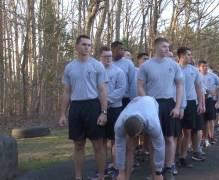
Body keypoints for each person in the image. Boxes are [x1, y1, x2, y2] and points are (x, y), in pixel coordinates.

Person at [59, 35, 108, 180]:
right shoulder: (69, 67)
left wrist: (104, 112)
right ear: (76, 46)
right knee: (78, 144)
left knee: (98, 144)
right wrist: (62, 114)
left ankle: (101, 177)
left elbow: (102, 90)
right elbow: (67, 91)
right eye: (84, 44)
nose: (87, 47)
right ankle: (78, 176)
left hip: (93, 106)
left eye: (89, 45)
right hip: (76, 107)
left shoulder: (97, 65)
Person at [138, 37, 184, 180]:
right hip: (152, 104)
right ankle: (155, 172)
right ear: (156, 47)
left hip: (169, 104)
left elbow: (180, 85)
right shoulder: (146, 66)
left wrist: (177, 106)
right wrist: (147, 102)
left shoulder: (174, 65)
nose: (167, 49)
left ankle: (168, 168)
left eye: (168, 47)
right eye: (164, 47)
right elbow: (140, 86)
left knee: (169, 138)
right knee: (153, 140)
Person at [115, 96, 165, 180]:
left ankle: (155, 176)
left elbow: (160, 147)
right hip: (135, 105)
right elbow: (119, 147)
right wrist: (121, 172)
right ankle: (126, 177)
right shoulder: (119, 125)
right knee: (129, 147)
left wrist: (159, 171)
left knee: (152, 146)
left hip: (151, 103)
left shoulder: (153, 124)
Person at [99, 46, 127, 177]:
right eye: (105, 56)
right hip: (99, 110)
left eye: (110, 56)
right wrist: (102, 103)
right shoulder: (96, 71)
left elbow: (121, 89)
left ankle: (116, 167)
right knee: (101, 140)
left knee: (115, 140)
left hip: (115, 109)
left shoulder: (119, 72)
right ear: (100, 57)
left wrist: (107, 101)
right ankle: (102, 168)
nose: (108, 59)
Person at [177, 47, 204, 168]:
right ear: (181, 56)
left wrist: (201, 103)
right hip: (175, 103)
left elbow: (199, 87)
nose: (190, 57)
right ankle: (171, 159)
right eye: (188, 55)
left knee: (187, 131)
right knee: (174, 133)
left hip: (191, 102)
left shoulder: (194, 70)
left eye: (190, 55)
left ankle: (183, 156)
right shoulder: (174, 68)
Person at [198, 60, 219, 147]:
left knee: (210, 119)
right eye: (203, 66)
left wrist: (216, 92)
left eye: (206, 66)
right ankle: (203, 138)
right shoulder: (197, 75)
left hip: (209, 100)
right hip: (199, 100)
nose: (205, 68)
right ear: (199, 67)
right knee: (202, 120)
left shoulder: (212, 75)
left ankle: (210, 136)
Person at [111, 42, 136, 107]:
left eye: (123, 49)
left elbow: (133, 82)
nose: (122, 51)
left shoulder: (128, 63)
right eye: (120, 49)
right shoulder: (107, 62)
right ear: (113, 50)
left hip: (125, 99)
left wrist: (133, 99)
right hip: (108, 98)